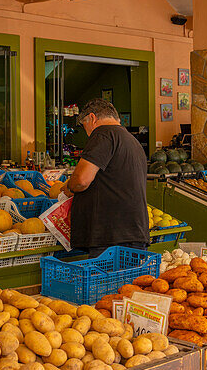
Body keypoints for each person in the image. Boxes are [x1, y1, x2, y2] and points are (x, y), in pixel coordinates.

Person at [63, 98, 149, 257]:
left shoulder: (102, 134)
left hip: (110, 237)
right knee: (129, 282)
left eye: (84, 126)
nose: (87, 132)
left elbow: (81, 181)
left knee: (105, 282)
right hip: (134, 233)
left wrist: (68, 187)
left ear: (92, 118)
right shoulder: (132, 141)